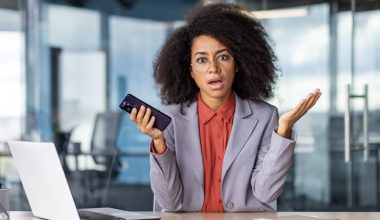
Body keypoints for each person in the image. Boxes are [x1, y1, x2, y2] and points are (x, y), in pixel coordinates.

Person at [130, 3, 322, 212]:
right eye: (202, 60)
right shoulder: (170, 119)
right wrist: (158, 142)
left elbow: (266, 193)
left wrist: (283, 130)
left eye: (223, 57)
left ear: (238, 64)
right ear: (191, 71)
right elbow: (170, 203)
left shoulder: (265, 116)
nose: (213, 68)